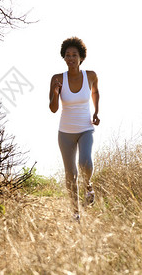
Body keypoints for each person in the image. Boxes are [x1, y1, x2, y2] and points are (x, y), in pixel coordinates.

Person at [49, 37, 100, 222]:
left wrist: (96, 112)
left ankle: (88, 186)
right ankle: (75, 213)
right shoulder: (57, 78)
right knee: (70, 174)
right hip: (65, 133)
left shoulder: (91, 75)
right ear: (64, 57)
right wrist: (55, 93)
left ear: (81, 58)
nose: (70, 58)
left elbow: (95, 92)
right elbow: (53, 108)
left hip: (86, 128)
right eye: (67, 55)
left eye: (74, 55)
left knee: (85, 162)